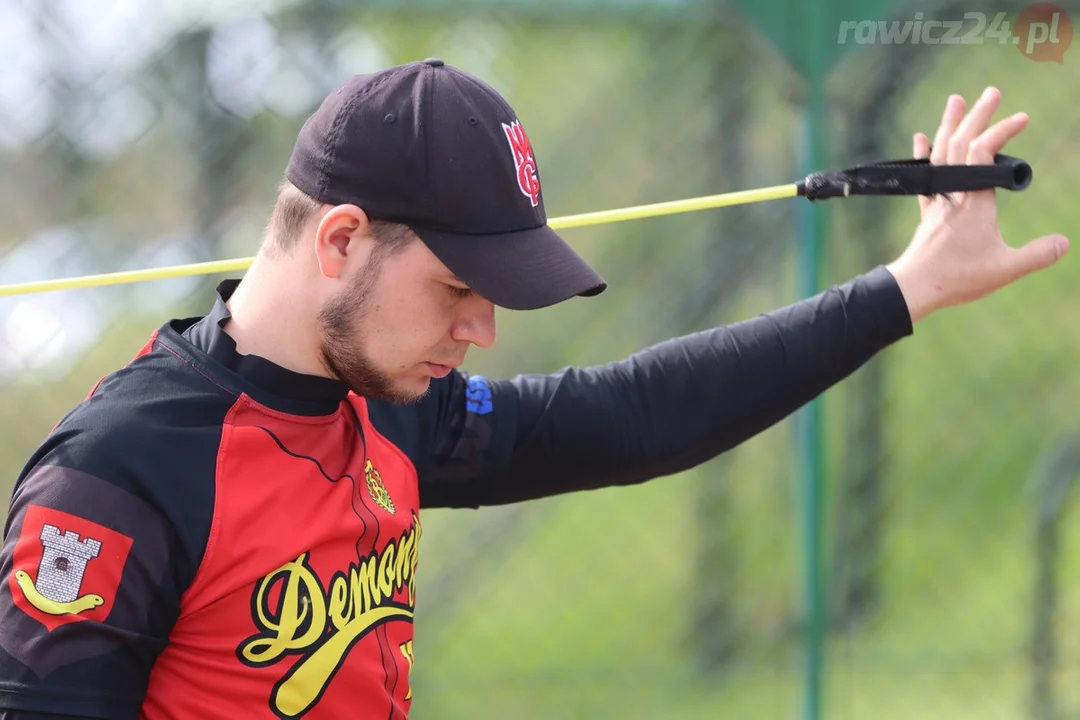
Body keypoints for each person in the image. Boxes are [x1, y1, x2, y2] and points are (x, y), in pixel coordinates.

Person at [0, 58, 1067, 720]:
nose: (481, 328)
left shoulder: (386, 407)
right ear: (340, 241)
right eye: (458, 288)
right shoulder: (116, 479)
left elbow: (626, 418)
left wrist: (907, 287)